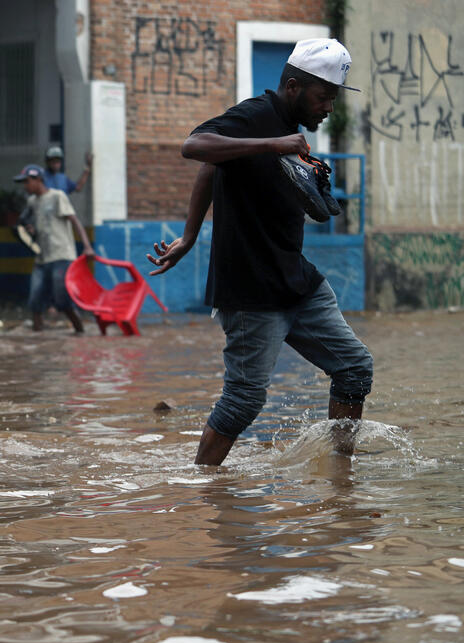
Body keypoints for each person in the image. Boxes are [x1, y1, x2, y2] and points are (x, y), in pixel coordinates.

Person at [146, 38, 373, 466]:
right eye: (323, 97)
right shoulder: (256, 115)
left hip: (296, 280)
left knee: (354, 368)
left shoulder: (289, 128)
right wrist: (272, 144)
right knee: (243, 401)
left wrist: (190, 234)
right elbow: (195, 147)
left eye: (333, 98)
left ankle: (341, 473)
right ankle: (202, 485)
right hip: (250, 290)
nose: (328, 107)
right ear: (293, 87)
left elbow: (212, 168)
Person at [13, 164, 95, 333]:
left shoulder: (57, 196)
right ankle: (38, 337)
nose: (25, 186)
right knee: (35, 301)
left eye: (27, 182)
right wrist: (32, 231)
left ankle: (80, 332)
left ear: (38, 180)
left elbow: (75, 221)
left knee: (62, 300)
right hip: (42, 258)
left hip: (62, 256)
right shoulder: (32, 202)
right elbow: (34, 225)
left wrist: (87, 246)